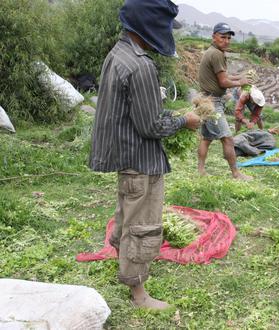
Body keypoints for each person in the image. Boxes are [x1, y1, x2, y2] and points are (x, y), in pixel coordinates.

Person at [89, 0, 200, 310]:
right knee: (141, 226)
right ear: (150, 26)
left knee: (127, 218)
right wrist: (184, 120)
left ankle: (124, 269)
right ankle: (139, 295)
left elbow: (134, 111)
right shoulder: (141, 66)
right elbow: (151, 124)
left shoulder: (118, 55)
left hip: (126, 158)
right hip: (141, 162)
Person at [197, 22, 252, 180]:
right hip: (212, 102)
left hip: (205, 99)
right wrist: (239, 83)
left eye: (229, 38)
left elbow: (224, 76)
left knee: (206, 138)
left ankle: (200, 170)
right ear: (214, 36)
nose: (226, 40)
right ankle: (236, 173)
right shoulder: (217, 54)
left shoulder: (213, 51)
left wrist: (240, 77)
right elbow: (223, 82)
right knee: (227, 138)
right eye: (223, 37)